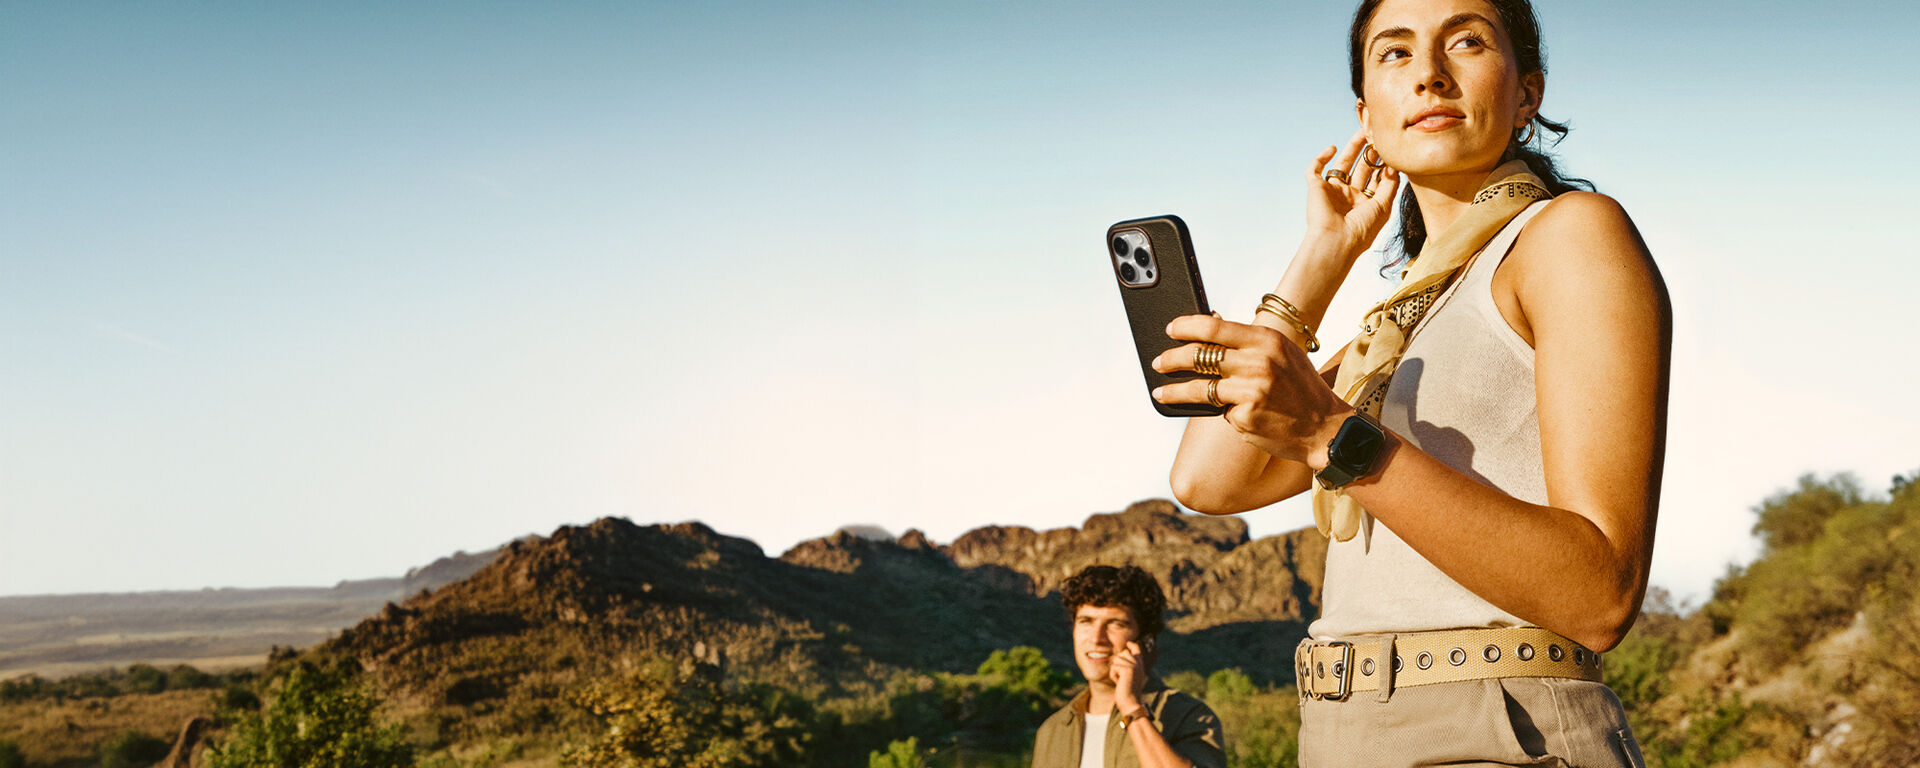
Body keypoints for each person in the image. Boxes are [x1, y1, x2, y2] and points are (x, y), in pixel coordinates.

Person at [1149, 0, 1668, 765]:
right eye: (1395, 52)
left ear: (1527, 92)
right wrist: (1324, 255)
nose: (1428, 74)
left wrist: (1330, 434)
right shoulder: (1398, 325)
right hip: (1338, 732)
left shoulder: (1569, 235)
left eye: (1466, 42)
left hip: (1496, 733)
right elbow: (1206, 480)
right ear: (1366, 114)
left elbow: (1601, 595)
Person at [1031, 565, 1226, 768]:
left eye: (1116, 624)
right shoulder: (1053, 730)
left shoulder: (1189, 716)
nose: (1097, 638)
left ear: (1145, 640)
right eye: (1086, 621)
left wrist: (1132, 709)